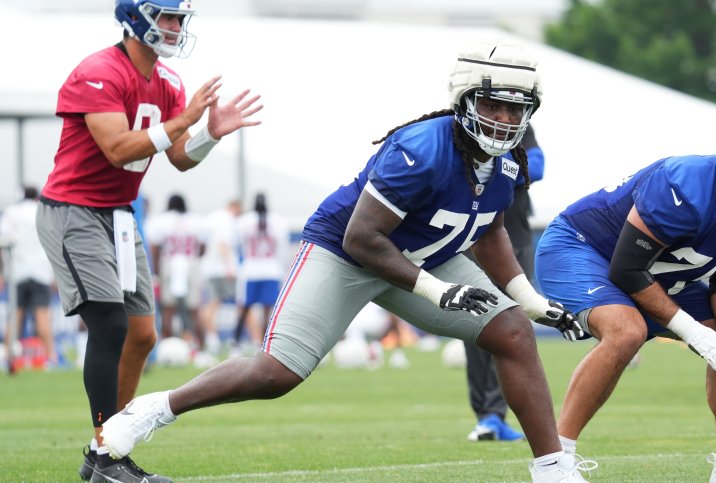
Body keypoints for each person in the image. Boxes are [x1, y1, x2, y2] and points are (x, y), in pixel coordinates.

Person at [100, 39, 588, 482]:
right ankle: (151, 410)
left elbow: (492, 229)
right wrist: (439, 291)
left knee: (514, 332)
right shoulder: (421, 147)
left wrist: (528, 299)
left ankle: (552, 470)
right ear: (464, 101)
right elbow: (363, 237)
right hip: (347, 253)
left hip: (424, 258)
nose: (504, 119)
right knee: (275, 374)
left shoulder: (508, 162)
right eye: (493, 105)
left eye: (514, 109)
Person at [534, 95, 716, 482]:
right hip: (583, 248)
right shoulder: (685, 184)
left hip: (657, 273)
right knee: (626, 330)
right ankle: (555, 461)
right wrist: (690, 329)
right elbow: (627, 268)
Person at [34, 0, 262, 481]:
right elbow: (118, 149)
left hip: (118, 215)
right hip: (74, 210)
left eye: (181, 19)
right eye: (168, 16)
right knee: (110, 326)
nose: (176, 27)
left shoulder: (170, 83)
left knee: (142, 335)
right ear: (136, 17)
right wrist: (183, 122)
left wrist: (210, 134)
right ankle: (106, 452)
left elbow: (180, 158)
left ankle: (107, 448)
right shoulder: (98, 71)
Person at [464, 126, 544, 443]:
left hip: (516, 243)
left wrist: (496, 161)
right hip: (470, 242)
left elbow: (537, 167)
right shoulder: (463, 129)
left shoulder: (519, 127)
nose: (503, 116)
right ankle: (486, 416)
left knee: (513, 325)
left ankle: (496, 415)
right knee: (472, 326)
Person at [0, 186, 58, 372]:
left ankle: (8, 358)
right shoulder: (43, 211)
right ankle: (51, 358)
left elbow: (3, 240)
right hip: (40, 270)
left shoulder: (11, 213)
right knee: (42, 315)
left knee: (15, 315)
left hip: (17, 270)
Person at [231, 193, 290, 351]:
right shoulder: (278, 221)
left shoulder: (244, 221)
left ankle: (236, 343)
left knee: (245, 308)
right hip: (271, 270)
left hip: (251, 270)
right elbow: (282, 250)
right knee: (267, 310)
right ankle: (264, 345)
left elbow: (236, 244)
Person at [145, 194, 205, 344]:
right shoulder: (196, 220)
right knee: (194, 308)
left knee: (168, 307)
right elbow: (203, 246)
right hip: (190, 262)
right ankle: (200, 344)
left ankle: (168, 342)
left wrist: (157, 270)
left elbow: (155, 247)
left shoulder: (161, 220)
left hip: (169, 262)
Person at [198, 199, 242, 354]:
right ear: (235, 208)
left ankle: (212, 339)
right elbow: (224, 243)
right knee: (241, 304)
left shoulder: (212, 218)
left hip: (209, 268)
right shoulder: (227, 220)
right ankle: (239, 341)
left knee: (210, 305)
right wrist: (229, 266)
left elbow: (201, 243)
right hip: (223, 269)